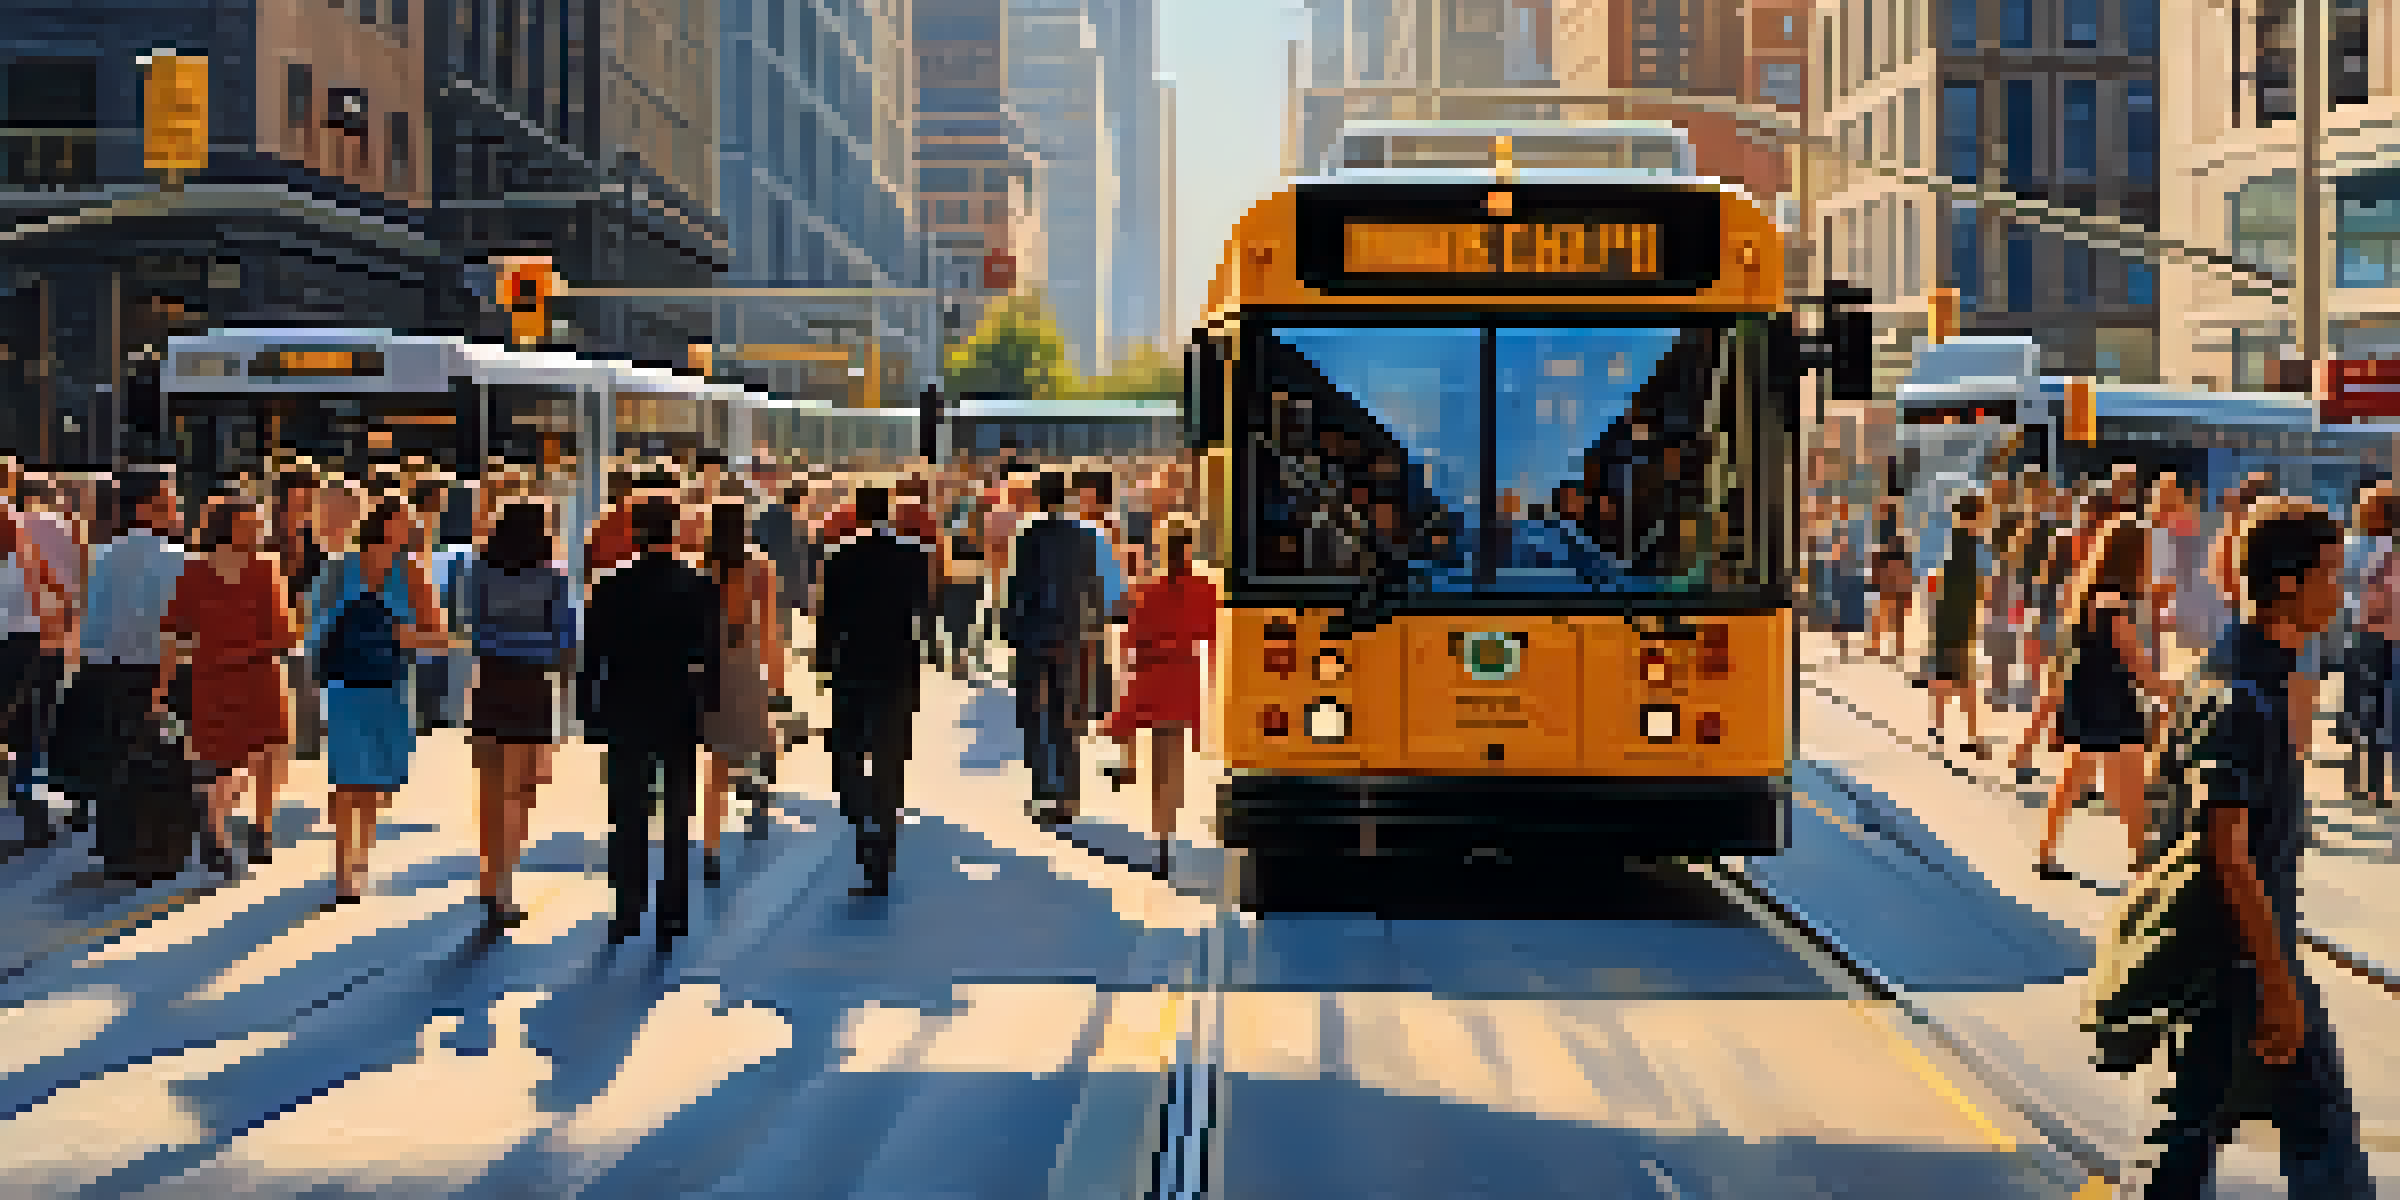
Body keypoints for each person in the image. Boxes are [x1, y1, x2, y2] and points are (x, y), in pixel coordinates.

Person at [2139, 498, 2374, 1200]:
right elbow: (2226, 847)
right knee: (2318, 1133)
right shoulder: (2244, 695)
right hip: (2246, 955)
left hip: (2230, 951)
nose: (2341, 590)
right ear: (2287, 585)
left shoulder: (2241, 670)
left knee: (2188, 1129)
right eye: (2330, 574)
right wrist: (2276, 982)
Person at [580, 497, 720, 945]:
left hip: (624, 708)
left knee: (627, 813)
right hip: (678, 708)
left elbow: (592, 658)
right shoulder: (698, 585)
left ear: (635, 534)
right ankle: (672, 912)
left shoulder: (610, 586)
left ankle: (627, 909)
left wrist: (590, 715)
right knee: (677, 814)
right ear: (675, 532)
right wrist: (707, 711)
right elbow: (709, 656)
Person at [2018, 515, 2178, 879]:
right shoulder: (2116, 602)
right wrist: (2173, 691)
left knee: (2073, 779)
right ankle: (2142, 867)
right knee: (2131, 789)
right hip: (2113, 702)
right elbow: (2135, 662)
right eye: (2147, 555)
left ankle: (2045, 854)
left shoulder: (2087, 595)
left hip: (2086, 699)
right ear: (2133, 557)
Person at [311, 497, 451, 905]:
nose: (410, 530)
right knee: (345, 781)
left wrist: (407, 636)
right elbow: (311, 623)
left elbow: (438, 640)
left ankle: (360, 862)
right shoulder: (340, 568)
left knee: (373, 783)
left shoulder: (411, 573)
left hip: (387, 687)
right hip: (341, 685)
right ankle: (344, 873)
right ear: (383, 525)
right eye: (404, 522)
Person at [160, 498, 298, 877]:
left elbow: (174, 633)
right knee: (240, 758)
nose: (257, 529)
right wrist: (163, 683)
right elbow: (172, 630)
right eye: (249, 523)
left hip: (228, 675)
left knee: (248, 754)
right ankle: (240, 833)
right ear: (227, 525)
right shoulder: (239, 570)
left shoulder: (238, 569)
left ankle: (245, 829)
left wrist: (171, 678)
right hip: (245, 675)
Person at [70, 471, 194, 882]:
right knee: (166, 756)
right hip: (164, 671)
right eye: (170, 502)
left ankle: (117, 850)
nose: (178, 511)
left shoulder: (100, 556)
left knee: (115, 759)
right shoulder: (178, 558)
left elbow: (89, 626)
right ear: (145, 508)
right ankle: (162, 849)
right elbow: (179, 626)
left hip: (107, 672)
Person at [816, 486, 933, 896]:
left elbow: (827, 619)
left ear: (855, 513)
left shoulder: (839, 558)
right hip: (898, 667)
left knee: (846, 754)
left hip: (852, 667)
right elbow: (925, 609)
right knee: (890, 759)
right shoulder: (912, 555)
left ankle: (861, 814)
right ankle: (883, 848)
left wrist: (823, 665)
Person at [463, 500, 575, 926]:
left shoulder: (480, 570)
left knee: (492, 791)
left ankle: (490, 881)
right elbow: (565, 637)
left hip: (491, 680)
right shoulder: (555, 576)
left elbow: (472, 627)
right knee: (523, 790)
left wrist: (501, 640)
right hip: (533, 684)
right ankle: (505, 884)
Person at [1101, 525, 1218, 878]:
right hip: (1183, 676)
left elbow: (1129, 642)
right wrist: (1209, 689)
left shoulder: (1146, 590)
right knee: (1173, 761)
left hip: (1152, 675)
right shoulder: (1204, 589)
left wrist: (1127, 676)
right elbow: (1211, 641)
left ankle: (1160, 839)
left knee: (1159, 765)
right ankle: (1168, 835)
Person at [1004, 472, 1104, 826]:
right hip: (1070, 636)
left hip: (1033, 635)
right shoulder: (1083, 538)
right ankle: (1069, 795)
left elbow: (1017, 589)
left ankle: (1042, 790)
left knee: (1034, 716)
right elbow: (1093, 589)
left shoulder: (1027, 537)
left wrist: (1008, 631)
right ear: (1067, 498)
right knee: (1066, 716)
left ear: (1037, 498)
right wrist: (1092, 628)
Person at [699, 500, 785, 885]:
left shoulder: (700, 565)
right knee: (760, 735)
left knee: (716, 758)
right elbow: (769, 627)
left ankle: (711, 846)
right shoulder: (760, 566)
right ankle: (759, 796)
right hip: (745, 659)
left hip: (708, 664)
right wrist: (777, 677)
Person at [1927, 492, 1992, 756]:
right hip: (1959, 622)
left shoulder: (1953, 541)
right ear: (1975, 516)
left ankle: (1938, 727)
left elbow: (1935, 581)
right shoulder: (1972, 546)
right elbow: (1982, 587)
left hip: (1947, 619)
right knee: (1964, 681)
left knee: (1945, 675)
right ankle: (1972, 736)